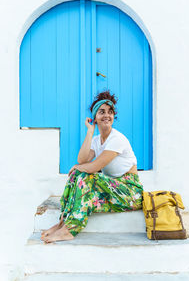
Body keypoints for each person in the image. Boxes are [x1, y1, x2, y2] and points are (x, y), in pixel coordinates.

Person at [41, 90, 143, 243]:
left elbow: (94, 167)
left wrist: (77, 167)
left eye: (110, 112)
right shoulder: (97, 139)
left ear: (114, 116)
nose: (106, 115)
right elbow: (82, 160)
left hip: (130, 193)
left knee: (85, 176)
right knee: (79, 177)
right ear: (95, 117)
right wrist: (90, 131)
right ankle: (64, 221)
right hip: (112, 189)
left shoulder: (117, 139)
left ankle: (69, 230)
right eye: (102, 112)